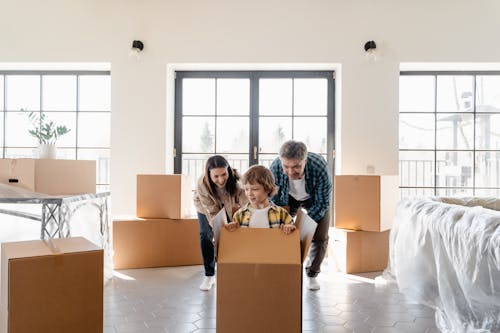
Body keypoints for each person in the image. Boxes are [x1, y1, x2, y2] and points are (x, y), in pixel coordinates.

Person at [270, 140, 332, 290]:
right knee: (280, 232)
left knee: (320, 236)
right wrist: (286, 221)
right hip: (287, 198)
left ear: (305, 160)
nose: (291, 172)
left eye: (296, 166)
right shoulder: (275, 167)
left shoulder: (319, 166)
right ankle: (283, 270)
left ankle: (312, 274)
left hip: (314, 199)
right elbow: (274, 200)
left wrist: (304, 227)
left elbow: (322, 203)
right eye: (286, 166)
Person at [194, 155, 247, 291]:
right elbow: (213, 212)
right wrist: (221, 227)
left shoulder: (238, 181)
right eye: (216, 176)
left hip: (230, 206)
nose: (221, 179)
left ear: (228, 170)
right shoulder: (202, 184)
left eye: (224, 174)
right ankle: (209, 275)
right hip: (206, 207)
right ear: (208, 174)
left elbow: (246, 203)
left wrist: (242, 220)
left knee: (233, 233)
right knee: (205, 234)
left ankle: (233, 269)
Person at [227, 165, 296, 234]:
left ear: (268, 189)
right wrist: (231, 229)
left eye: (255, 189)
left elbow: (293, 231)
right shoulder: (239, 215)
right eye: (246, 189)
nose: (249, 193)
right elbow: (235, 238)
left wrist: (289, 227)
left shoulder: (281, 213)